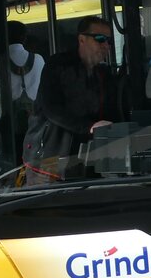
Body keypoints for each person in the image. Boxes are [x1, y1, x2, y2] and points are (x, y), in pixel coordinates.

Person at [22, 15, 122, 182]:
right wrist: (89, 127)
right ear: (81, 39)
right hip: (50, 157)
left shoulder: (104, 73)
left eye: (109, 41)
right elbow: (50, 109)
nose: (106, 45)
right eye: (100, 39)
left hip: (88, 158)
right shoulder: (58, 66)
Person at [0, 21, 44, 166]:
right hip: (34, 122)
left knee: (9, 164)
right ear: (24, 37)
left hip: (4, 123)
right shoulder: (39, 59)